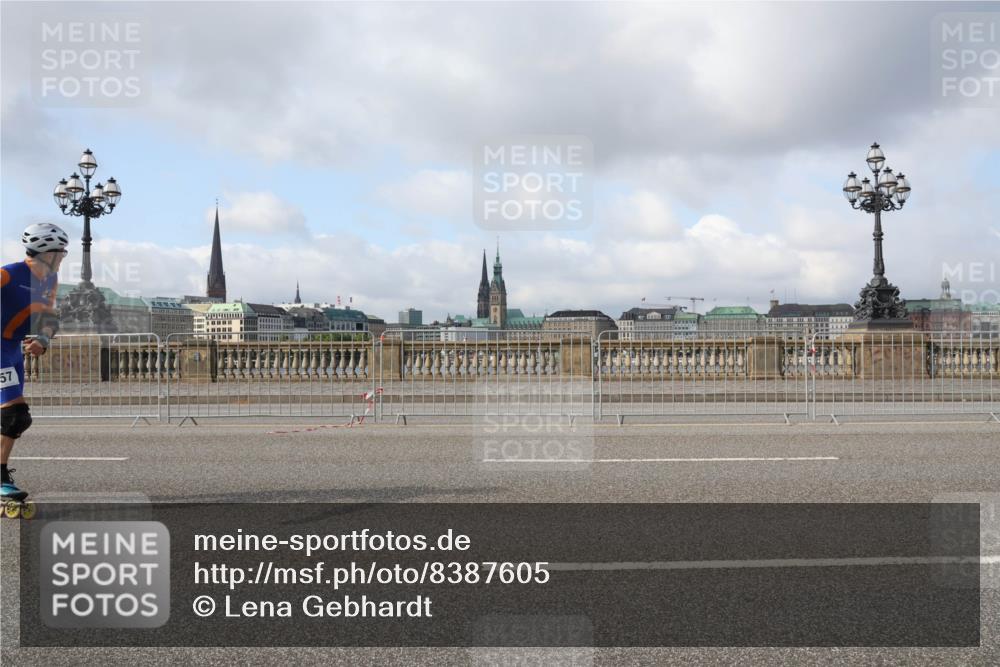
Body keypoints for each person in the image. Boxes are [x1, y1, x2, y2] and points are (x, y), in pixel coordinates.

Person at [1, 223, 68, 502]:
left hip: (11, 350)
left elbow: (50, 317)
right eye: (59, 252)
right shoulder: (8, 274)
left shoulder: (50, 281)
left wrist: (42, 339)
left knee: (15, 418)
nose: (63, 256)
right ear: (45, 252)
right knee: (14, 414)